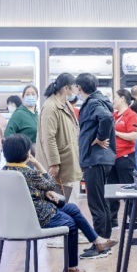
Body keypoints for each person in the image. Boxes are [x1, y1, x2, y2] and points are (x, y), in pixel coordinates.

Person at [2, 134, 118, 272]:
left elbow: (28, 190)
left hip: (18, 219)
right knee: (71, 224)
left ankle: (97, 241)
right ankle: (71, 267)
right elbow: (51, 184)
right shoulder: (29, 173)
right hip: (39, 217)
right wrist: (37, 163)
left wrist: (44, 192)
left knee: (72, 208)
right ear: (27, 153)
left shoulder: (4, 172)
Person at [76, 73, 116, 258]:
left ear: (79, 88)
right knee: (101, 203)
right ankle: (104, 242)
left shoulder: (92, 103)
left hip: (95, 159)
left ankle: (100, 245)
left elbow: (106, 118)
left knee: (96, 204)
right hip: (101, 159)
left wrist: (100, 137)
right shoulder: (100, 100)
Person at [36, 73, 81, 208]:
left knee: (70, 200)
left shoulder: (66, 104)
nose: (76, 91)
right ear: (66, 88)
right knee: (61, 202)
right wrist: (54, 163)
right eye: (74, 87)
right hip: (59, 165)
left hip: (69, 161)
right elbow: (48, 137)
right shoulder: (51, 107)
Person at [108, 89, 137, 228]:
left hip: (125, 157)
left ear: (122, 98)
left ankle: (133, 221)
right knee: (112, 189)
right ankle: (112, 221)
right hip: (112, 157)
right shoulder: (114, 115)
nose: (113, 100)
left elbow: (134, 136)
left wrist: (116, 133)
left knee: (129, 189)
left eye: (115, 97)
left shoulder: (131, 115)